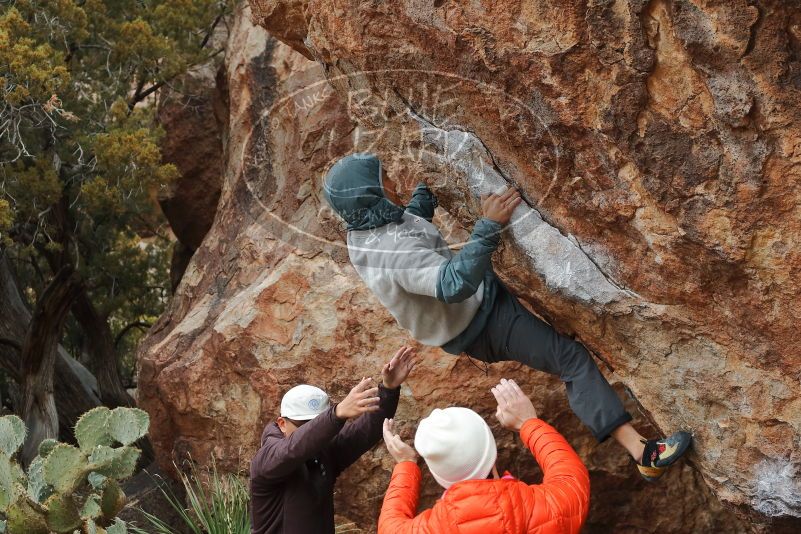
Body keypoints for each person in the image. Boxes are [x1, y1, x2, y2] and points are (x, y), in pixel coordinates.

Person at [323, 153, 691, 481]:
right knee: (571, 359)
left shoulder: (363, 229)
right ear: (371, 195)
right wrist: (489, 225)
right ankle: (643, 453)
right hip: (483, 324)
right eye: (383, 179)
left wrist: (422, 198)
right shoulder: (393, 253)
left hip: (481, 304)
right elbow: (452, 284)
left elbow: (406, 230)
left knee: (565, 336)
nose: (391, 181)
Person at [379, 378, 590, 533]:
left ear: (438, 476)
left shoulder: (432, 528)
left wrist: (405, 464)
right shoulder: (540, 508)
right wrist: (528, 423)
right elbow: (571, 478)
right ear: (493, 453)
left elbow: (390, 527)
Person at [249, 346, 417, 534]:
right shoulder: (267, 459)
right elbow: (292, 450)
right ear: (281, 423)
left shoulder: (325, 451)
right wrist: (335, 415)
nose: (311, 429)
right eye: (303, 423)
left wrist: (388, 390)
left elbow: (364, 432)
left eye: (316, 422)